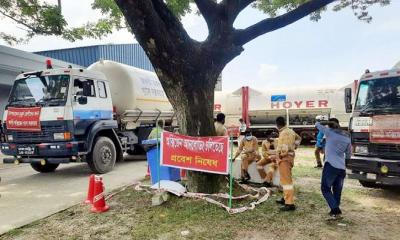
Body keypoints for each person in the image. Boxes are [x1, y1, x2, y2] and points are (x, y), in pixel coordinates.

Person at [316, 118, 351, 220]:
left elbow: (317, 124)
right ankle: (335, 211)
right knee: (337, 190)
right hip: (341, 167)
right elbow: (348, 155)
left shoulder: (329, 133)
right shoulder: (347, 137)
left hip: (331, 165)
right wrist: (345, 165)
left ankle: (336, 210)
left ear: (330, 125)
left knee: (325, 188)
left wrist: (327, 122)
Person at [275, 117, 301, 211]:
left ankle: (289, 204)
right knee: (285, 179)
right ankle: (285, 198)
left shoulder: (284, 133)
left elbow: (284, 149)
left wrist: (280, 156)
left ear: (277, 125)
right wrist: (295, 146)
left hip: (285, 158)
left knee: (286, 181)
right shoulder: (290, 131)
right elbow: (299, 138)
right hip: (289, 157)